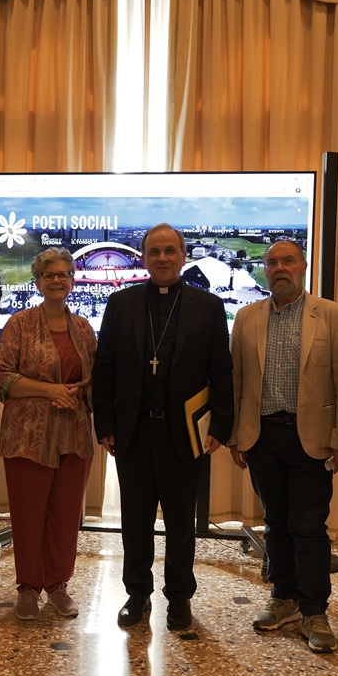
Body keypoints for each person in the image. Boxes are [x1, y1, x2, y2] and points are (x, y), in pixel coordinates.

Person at [93, 223, 234, 631]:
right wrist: (105, 423)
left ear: (183, 255)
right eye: (154, 251)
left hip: (184, 432)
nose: (162, 258)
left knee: (180, 522)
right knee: (135, 521)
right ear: (143, 257)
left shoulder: (208, 306)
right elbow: (105, 367)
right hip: (133, 431)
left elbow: (220, 370)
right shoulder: (121, 304)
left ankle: (179, 596)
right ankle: (137, 593)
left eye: (170, 250)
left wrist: (221, 424)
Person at [228, 240, 338, 652]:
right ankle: (283, 598)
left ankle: (315, 610)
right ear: (264, 270)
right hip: (262, 437)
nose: (280, 268)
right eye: (272, 263)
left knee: (309, 526)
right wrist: (236, 436)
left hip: (312, 439)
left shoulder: (331, 315)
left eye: (288, 261)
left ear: (303, 266)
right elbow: (236, 380)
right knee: (276, 523)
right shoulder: (247, 317)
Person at [0, 247, 97, 620]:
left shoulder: (83, 329)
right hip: (28, 436)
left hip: (73, 434)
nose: (56, 280)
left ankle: (57, 586)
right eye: (48, 275)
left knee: (66, 516)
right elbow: (1, 376)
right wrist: (49, 389)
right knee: (29, 514)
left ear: (72, 280)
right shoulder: (19, 324)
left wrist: (80, 391)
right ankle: (27, 588)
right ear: (37, 282)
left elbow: (95, 379)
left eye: (62, 274)